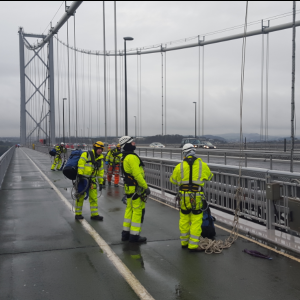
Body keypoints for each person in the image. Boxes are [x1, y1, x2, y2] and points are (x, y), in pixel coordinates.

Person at [170, 143, 213, 252]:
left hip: (183, 197)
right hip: (196, 196)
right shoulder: (202, 165)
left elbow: (173, 180)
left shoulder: (179, 166)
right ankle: (193, 245)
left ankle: (184, 242)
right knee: (196, 220)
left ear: (184, 153)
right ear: (194, 152)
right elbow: (209, 177)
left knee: (184, 219)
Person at [119, 136, 151, 243]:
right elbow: (137, 175)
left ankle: (125, 234)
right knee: (138, 212)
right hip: (136, 189)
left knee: (129, 210)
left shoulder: (124, 156)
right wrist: (145, 187)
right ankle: (134, 236)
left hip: (129, 188)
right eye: (132, 142)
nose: (134, 143)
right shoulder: (132, 157)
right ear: (127, 144)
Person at [75, 141, 105, 221]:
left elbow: (100, 172)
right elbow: (81, 164)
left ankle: (94, 215)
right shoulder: (86, 154)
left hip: (92, 181)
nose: (100, 150)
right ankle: (78, 214)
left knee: (94, 198)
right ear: (95, 148)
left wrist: (101, 182)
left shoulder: (100, 159)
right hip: (83, 179)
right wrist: (80, 174)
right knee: (80, 196)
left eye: (101, 149)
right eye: (98, 149)